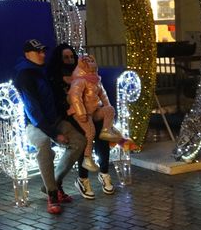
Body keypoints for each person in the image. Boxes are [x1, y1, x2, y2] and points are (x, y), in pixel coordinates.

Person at [14, 39, 85, 214]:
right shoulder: (25, 75)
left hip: (54, 120)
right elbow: (33, 111)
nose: (42, 54)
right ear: (27, 54)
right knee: (44, 144)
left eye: (43, 51)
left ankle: (54, 183)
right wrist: (55, 134)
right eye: (38, 52)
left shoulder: (40, 71)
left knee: (80, 141)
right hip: (35, 125)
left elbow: (52, 98)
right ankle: (52, 194)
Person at [48, 44, 120, 200]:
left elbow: (99, 92)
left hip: (90, 110)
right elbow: (62, 100)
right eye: (65, 57)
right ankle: (83, 179)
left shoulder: (85, 74)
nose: (69, 60)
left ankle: (104, 173)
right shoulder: (55, 75)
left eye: (71, 57)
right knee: (87, 134)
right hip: (70, 114)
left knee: (102, 136)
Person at [67, 54, 123, 172]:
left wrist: (107, 106)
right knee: (90, 131)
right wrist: (81, 112)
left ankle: (106, 131)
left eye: (92, 61)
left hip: (94, 110)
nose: (91, 64)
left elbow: (103, 95)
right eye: (88, 62)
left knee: (110, 110)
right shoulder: (80, 80)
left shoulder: (96, 80)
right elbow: (75, 96)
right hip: (81, 112)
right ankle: (87, 158)